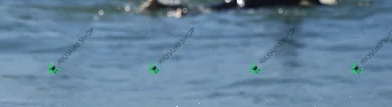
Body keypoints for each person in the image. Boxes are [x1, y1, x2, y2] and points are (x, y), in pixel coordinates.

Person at [140, 0, 336, 16]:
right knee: (213, 10)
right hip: (250, 5)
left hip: (244, 1)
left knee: (213, 8)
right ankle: (184, 12)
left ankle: (163, 5)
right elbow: (317, 4)